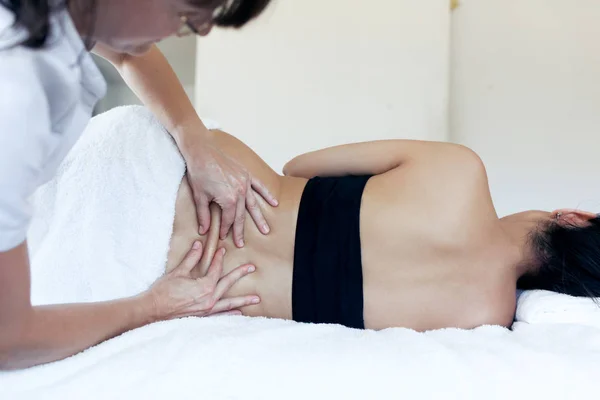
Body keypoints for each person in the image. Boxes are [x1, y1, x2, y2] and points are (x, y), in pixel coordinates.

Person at [42, 106, 600, 335]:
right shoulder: (484, 317)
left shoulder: (459, 171)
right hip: (127, 272)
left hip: (148, 173)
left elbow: (298, 167)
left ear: (575, 216)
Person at [0, 0, 277, 370]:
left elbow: (129, 55)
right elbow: (9, 338)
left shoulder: (65, 18)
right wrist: (150, 307)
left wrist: (192, 136)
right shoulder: (17, 98)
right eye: (186, 14)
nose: (202, 31)